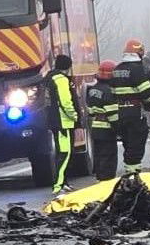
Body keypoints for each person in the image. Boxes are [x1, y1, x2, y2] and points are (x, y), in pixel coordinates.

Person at [108, 38, 150, 173]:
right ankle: (134, 174)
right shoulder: (137, 69)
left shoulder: (117, 69)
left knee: (127, 144)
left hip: (120, 112)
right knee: (136, 143)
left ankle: (129, 171)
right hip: (135, 112)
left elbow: (112, 92)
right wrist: (149, 104)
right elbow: (146, 91)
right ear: (137, 52)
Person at [45, 53, 79, 194]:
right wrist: (75, 115)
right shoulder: (61, 80)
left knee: (63, 152)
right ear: (68, 66)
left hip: (56, 121)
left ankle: (64, 182)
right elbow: (65, 101)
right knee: (65, 153)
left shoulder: (50, 77)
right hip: (63, 122)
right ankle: (58, 185)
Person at [85, 60, 120, 180]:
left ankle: (100, 177)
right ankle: (107, 180)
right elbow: (113, 114)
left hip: (96, 127)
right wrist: (119, 129)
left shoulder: (93, 89)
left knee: (99, 154)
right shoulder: (109, 91)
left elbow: (89, 111)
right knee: (109, 156)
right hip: (107, 129)